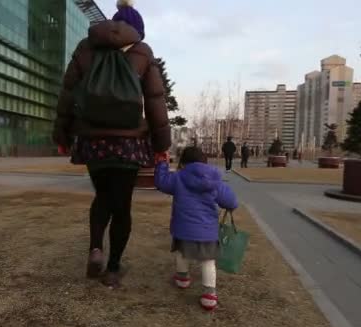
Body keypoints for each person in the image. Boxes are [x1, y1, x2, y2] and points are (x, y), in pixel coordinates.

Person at [53, 0, 170, 288]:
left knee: (102, 196)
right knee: (122, 205)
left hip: (93, 142)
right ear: (137, 30)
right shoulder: (142, 51)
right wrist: (161, 145)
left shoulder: (85, 48)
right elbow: (156, 102)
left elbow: (67, 94)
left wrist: (62, 136)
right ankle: (114, 269)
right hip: (129, 144)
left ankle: (95, 249)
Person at [154, 147, 238, 310]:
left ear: (183, 162)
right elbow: (231, 202)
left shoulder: (178, 177)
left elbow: (161, 182)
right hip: (207, 231)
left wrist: (162, 163)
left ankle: (182, 278)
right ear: (205, 161)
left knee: (182, 253)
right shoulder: (215, 180)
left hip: (183, 228)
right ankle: (209, 294)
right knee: (208, 261)